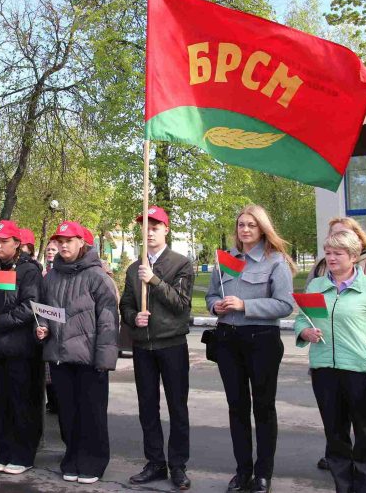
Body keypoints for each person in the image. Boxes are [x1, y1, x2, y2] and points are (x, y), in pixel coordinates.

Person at [295, 230, 366, 493]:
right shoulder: (317, 286)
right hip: (324, 370)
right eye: (328, 252)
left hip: (360, 370)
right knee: (335, 435)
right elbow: (302, 318)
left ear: (353, 256)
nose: (330, 258)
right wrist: (305, 332)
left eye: (337, 253)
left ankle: (363, 487)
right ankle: (343, 486)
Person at [205, 204, 295, 493]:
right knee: (237, 407)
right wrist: (215, 305)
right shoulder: (227, 259)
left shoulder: (275, 261)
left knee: (264, 408)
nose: (244, 229)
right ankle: (242, 471)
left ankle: (262, 473)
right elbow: (211, 294)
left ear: (262, 228)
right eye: (241, 224)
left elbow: (285, 305)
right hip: (228, 340)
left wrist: (245, 305)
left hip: (262, 341)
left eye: (251, 225)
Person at [36, 220, 119, 484]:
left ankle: (93, 461)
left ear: (81, 242)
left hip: (89, 359)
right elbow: (43, 310)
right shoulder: (51, 277)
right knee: (68, 414)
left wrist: (104, 360)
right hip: (60, 357)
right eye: (59, 241)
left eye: (68, 240)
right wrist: (42, 328)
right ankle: (71, 457)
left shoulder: (97, 277)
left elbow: (108, 320)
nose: (63, 245)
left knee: (92, 413)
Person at [120, 206, 194, 489]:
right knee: (147, 407)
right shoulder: (132, 268)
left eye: (155, 226)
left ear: (166, 229)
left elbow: (181, 304)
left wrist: (154, 280)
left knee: (177, 407)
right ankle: (154, 462)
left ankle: (178, 465)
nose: (149, 231)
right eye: (145, 226)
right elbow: (125, 304)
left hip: (172, 344)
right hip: (143, 347)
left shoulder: (180, 263)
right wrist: (132, 317)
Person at [0, 220, 42, 475]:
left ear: (17, 243)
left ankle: (23, 455)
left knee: (20, 403)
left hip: (19, 350)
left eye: (4, 240)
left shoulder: (28, 271)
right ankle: (3, 452)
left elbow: (29, 307)